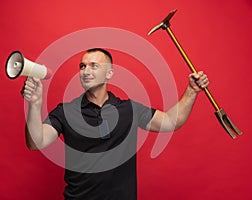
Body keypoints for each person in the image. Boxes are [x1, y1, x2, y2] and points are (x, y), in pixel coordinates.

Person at [22, 48, 209, 200]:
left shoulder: (130, 109)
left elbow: (170, 121)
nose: (86, 71)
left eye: (94, 66)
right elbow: (36, 142)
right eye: (82, 66)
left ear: (109, 73)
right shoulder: (65, 111)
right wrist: (35, 105)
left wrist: (192, 91)